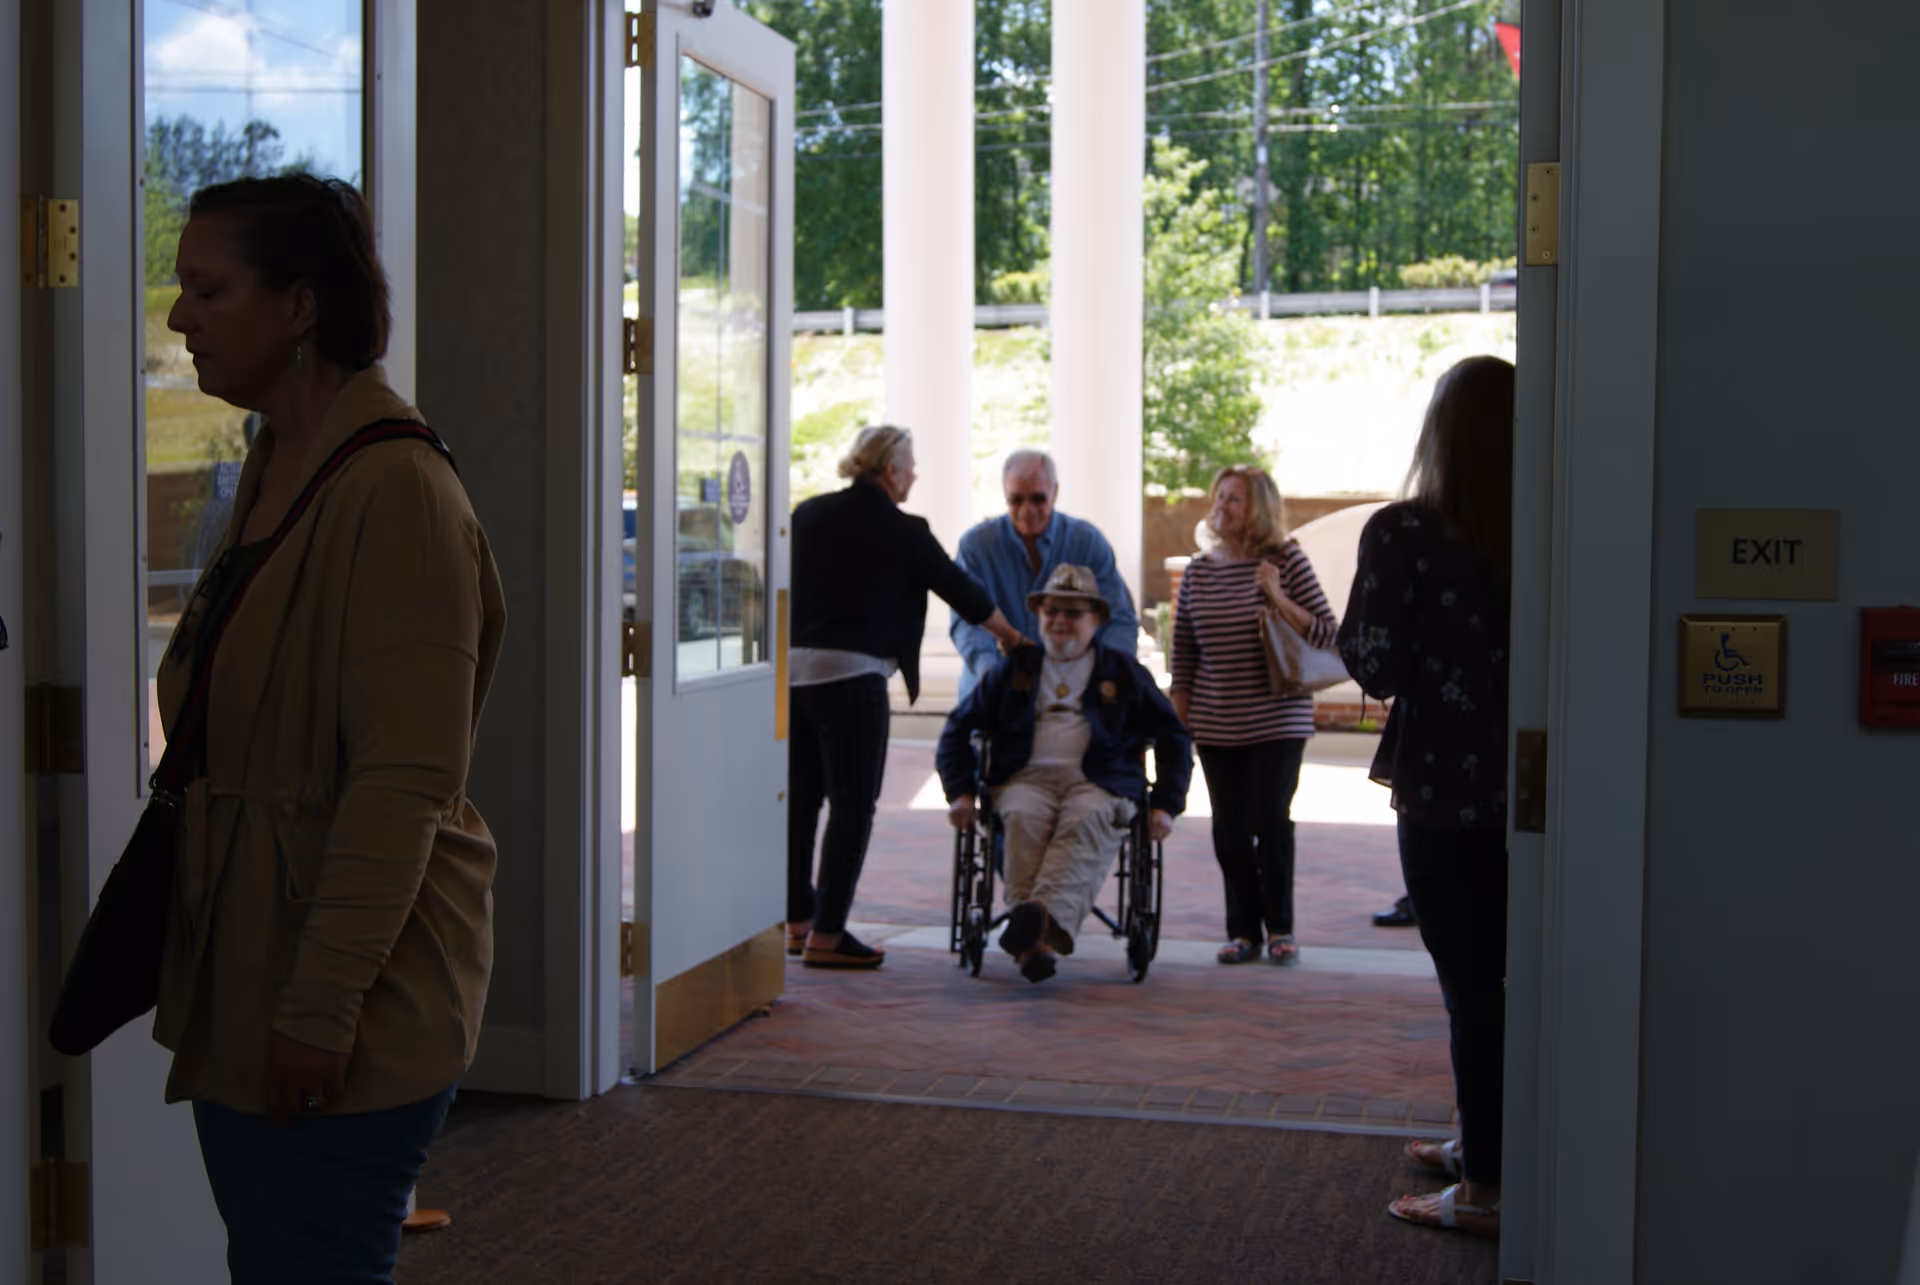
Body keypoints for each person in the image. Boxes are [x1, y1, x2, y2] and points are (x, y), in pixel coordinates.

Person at [154, 174, 506, 1279]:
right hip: (255, 960)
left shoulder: (396, 488)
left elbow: (403, 781)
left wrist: (317, 1006)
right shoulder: (277, 460)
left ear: (300, 306)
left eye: (208, 289)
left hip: (341, 992)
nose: (179, 317)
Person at [1337, 355, 1515, 1238]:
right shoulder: (1547, 524)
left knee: (1470, 986)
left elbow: (1371, 659)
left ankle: (1485, 1184)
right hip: (1535, 783)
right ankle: (1490, 1140)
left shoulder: (1405, 532)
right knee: (1518, 979)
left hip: (1443, 788)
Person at [788, 426, 1027, 969]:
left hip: (792, 674)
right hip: (853, 676)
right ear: (889, 469)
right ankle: (827, 933)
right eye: (910, 465)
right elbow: (963, 592)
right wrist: (1013, 638)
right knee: (853, 804)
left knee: (801, 799)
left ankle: (796, 919)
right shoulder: (902, 529)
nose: (915, 474)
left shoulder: (808, 514)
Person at [937, 565, 1192, 982]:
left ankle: (1029, 929)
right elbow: (957, 729)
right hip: (1024, 779)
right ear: (1039, 615)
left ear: (1096, 621)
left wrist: (1166, 802)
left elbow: (1173, 735)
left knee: (1087, 818)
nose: (1059, 621)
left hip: (1099, 782)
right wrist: (960, 793)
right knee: (1020, 817)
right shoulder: (1014, 669)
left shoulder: (1123, 671)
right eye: (1052, 610)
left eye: (1073, 613)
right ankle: (1037, 934)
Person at [1169, 465, 1338, 967]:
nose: (1221, 507)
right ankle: (1243, 932)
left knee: (1269, 819)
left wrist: (1278, 597)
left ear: (1258, 507)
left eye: (1234, 499)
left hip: (1277, 719)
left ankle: (1279, 928)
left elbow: (1327, 633)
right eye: (1218, 497)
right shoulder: (1199, 570)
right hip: (1217, 721)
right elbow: (1184, 650)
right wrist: (1179, 713)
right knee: (1230, 832)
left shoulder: (1285, 560)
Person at [951, 449, 1139, 704]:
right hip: (996, 695)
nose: (1027, 510)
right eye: (1016, 500)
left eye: (1038, 499)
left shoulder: (1086, 542)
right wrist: (992, 672)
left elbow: (1119, 619)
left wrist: (1104, 676)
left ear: (1055, 492)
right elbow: (967, 622)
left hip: (1076, 694)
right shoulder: (976, 546)